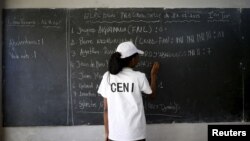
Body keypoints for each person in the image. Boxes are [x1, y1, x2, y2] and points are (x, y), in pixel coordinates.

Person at [97, 41, 160, 141]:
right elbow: (152, 95)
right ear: (132, 60)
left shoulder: (107, 77)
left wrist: (107, 134)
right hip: (136, 134)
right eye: (137, 56)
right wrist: (154, 75)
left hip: (115, 134)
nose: (139, 58)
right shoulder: (139, 76)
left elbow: (106, 109)